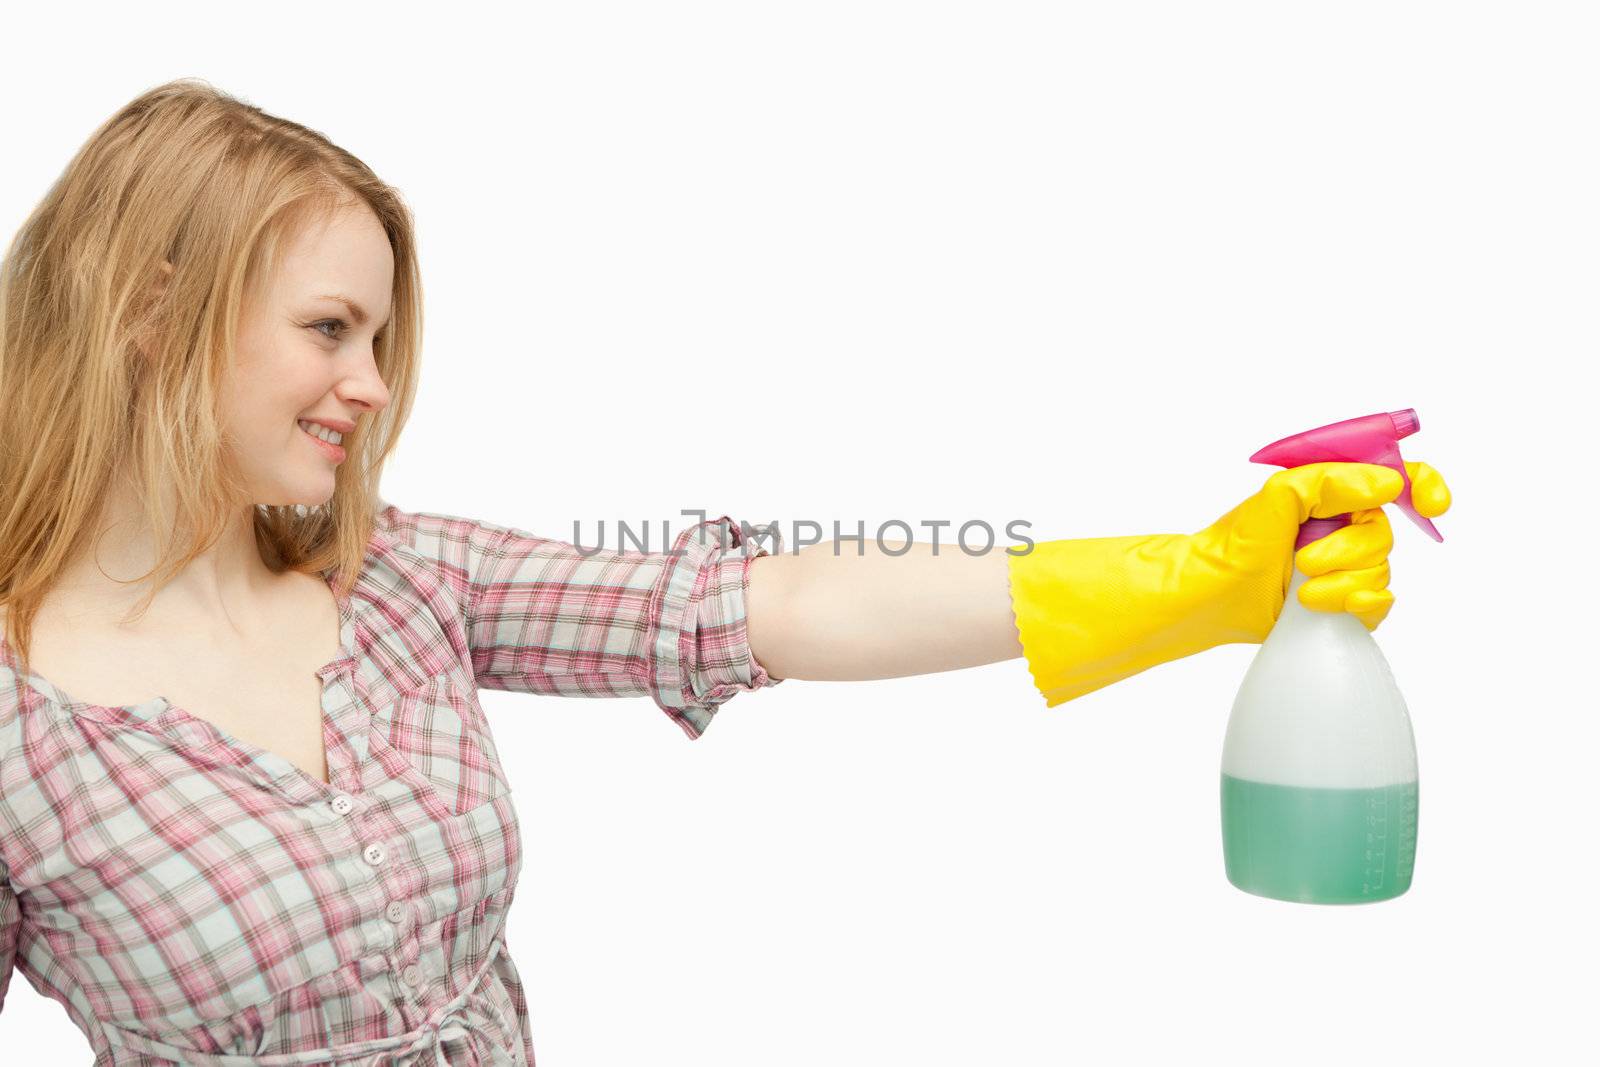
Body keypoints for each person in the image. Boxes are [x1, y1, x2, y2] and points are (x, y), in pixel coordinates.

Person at [0, 79, 1451, 1065]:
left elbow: (769, 603)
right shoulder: (21, 721)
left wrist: (1188, 578)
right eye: (329, 331)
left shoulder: (396, 581)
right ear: (151, 311)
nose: (371, 385)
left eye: (377, 339)